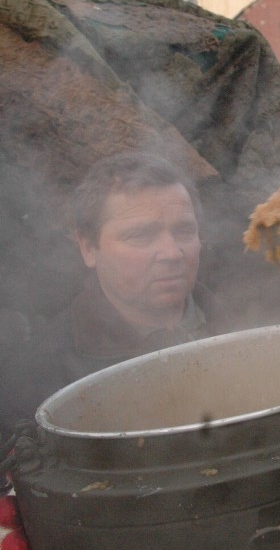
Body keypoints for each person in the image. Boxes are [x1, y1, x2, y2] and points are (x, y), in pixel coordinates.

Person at [0, 152, 231, 437]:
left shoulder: (251, 323)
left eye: (184, 230)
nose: (172, 253)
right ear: (88, 248)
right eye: (141, 236)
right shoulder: (35, 382)